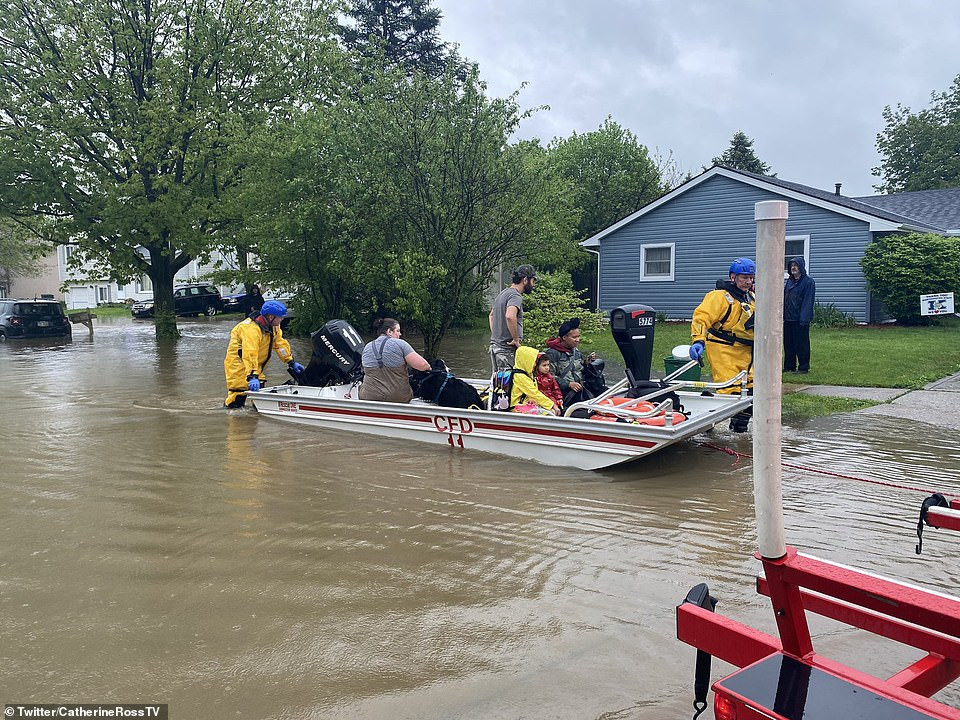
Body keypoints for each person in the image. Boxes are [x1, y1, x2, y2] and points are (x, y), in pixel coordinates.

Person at [689, 257, 756, 432]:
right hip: (723, 349)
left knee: (751, 394)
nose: (748, 281)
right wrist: (698, 340)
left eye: (751, 277)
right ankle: (706, 419)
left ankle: (737, 431)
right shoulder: (719, 297)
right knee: (732, 394)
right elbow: (701, 317)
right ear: (733, 277)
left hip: (747, 353)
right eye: (744, 277)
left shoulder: (751, 297)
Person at [223, 299, 304, 408]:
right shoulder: (250, 329)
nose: (282, 319)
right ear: (271, 317)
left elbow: (279, 344)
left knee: (259, 401)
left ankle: (253, 419)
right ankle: (232, 417)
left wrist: (290, 361)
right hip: (238, 367)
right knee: (237, 400)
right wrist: (252, 376)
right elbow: (249, 352)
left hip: (256, 367)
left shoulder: (274, 327)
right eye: (280, 317)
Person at [358, 317, 431, 403]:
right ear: (389, 331)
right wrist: (429, 369)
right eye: (398, 331)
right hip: (399, 398)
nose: (400, 334)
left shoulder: (367, 347)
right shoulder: (400, 344)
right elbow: (423, 366)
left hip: (368, 397)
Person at [488, 264, 537, 373]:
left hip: (495, 347)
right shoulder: (515, 296)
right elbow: (510, 316)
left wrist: (496, 335)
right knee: (507, 385)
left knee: (498, 384)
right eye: (533, 281)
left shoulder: (503, 293)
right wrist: (515, 339)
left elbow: (491, 315)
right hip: (506, 351)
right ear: (525, 280)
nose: (534, 285)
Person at [544, 317, 598, 407]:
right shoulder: (552, 353)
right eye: (574, 337)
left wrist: (588, 363)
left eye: (578, 336)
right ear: (564, 337)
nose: (578, 339)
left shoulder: (576, 351)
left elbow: (579, 369)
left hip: (581, 388)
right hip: (564, 393)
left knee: (604, 393)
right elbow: (548, 376)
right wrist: (568, 384)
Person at [783, 256, 815, 374]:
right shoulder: (789, 281)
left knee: (801, 344)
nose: (793, 268)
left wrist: (804, 318)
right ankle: (789, 366)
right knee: (788, 344)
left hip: (800, 319)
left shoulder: (808, 282)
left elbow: (808, 301)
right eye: (791, 265)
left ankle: (803, 367)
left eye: (796, 265)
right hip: (788, 318)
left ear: (801, 267)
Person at [509, 346, 560, 415]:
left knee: (549, 412)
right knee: (549, 414)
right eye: (533, 362)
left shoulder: (527, 374)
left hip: (528, 404)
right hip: (518, 407)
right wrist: (552, 405)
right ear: (526, 361)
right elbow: (534, 393)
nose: (535, 364)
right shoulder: (520, 377)